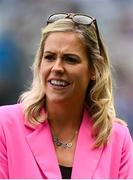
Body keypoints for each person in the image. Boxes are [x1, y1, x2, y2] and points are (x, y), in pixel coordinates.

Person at [0, 13, 133, 179]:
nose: (57, 67)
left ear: (93, 69)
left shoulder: (117, 139)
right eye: (49, 57)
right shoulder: (5, 125)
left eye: (70, 59)